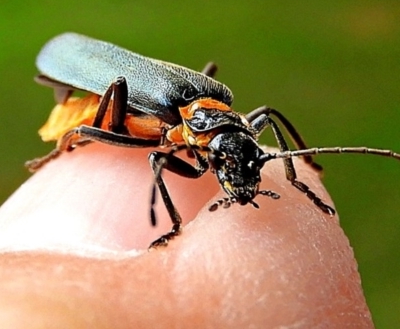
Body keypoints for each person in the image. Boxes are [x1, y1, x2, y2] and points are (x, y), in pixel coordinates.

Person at [0, 143, 373, 327]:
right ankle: (175, 223)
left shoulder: (213, 128)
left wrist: (291, 177)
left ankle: (295, 175)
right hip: (132, 98)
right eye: (230, 167)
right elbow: (156, 157)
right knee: (130, 147)